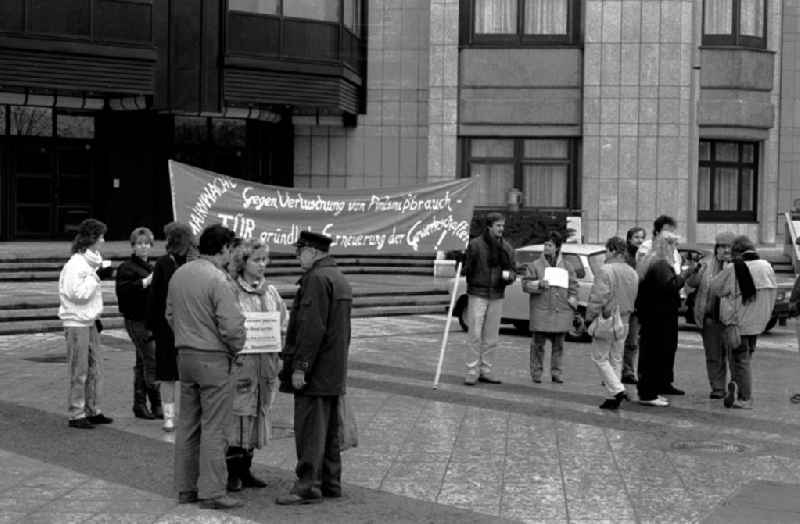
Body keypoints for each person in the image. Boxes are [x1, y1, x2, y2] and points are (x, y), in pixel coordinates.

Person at [167, 224, 246, 510]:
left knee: (188, 423)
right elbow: (232, 325)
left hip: (185, 355)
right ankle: (212, 491)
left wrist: (185, 335)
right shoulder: (219, 279)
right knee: (215, 426)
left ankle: (186, 488)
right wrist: (236, 348)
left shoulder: (180, 273)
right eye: (230, 249)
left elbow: (170, 313)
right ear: (224, 248)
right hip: (213, 358)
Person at [276, 231, 352, 506]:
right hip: (333, 368)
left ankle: (307, 486)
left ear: (313, 251)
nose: (297, 256)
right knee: (329, 430)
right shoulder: (337, 277)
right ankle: (331, 482)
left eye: (300, 251)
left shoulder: (316, 280)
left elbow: (311, 329)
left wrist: (301, 368)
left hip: (316, 370)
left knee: (310, 429)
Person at [225, 240, 289, 492]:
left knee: (257, 416)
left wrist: (280, 349)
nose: (263, 264)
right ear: (243, 262)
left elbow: (283, 321)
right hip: (241, 365)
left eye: (265, 259)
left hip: (266, 366)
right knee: (238, 417)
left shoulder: (271, 292)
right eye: (257, 260)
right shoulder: (231, 291)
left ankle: (247, 470)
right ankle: (233, 473)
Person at [58, 218, 114, 429]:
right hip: (76, 322)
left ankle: (92, 408)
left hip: (89, 320)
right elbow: (77, 294)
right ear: (91, 239)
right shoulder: (76, 264)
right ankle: (76, 412)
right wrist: (96, 277)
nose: (103, 240)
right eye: (101, 236)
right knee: (79, 368)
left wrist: (96, 275)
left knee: (94, 368)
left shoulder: (90, 263)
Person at [710, 236, 777, 409]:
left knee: (740, 359)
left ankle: (745, 397)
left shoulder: (734, 268)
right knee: (745, 357)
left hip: (738, 322)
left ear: (736, 252)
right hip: (758, 322)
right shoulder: (766, 266)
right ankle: (738, 386)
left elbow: (716, 288)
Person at [147, 221, 195, 432]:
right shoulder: (165, 263)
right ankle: (169, 416)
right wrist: (154, 327)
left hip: (183, 325)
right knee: (168, 373)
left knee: (183, 374)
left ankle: (180, 416)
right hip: (170, 327)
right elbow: (156, 297)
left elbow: (154, 297)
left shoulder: (192, 262)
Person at [635, 232, 689, 406]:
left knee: (652, 354)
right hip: (659, 317)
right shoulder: (660, 264)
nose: (675, 250)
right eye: (673, 245)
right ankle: (649, 393)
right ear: (667, 246)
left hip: (653, 316)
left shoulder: (651, 261)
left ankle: (652, 390)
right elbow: (669, 286)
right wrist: (685, 276)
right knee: (654, 354)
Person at [463, 212, 516, 385]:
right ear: (489, 226)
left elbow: (513, 270)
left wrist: (510, 277)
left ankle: (486, 370)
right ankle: (472, 370)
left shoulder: (507, 247)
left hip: (497, 294)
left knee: (491, 336)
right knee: (475, 334)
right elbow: (468, 269)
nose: (501, 228)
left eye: (503, 225)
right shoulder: (476, 245)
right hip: (478, 294)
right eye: (498, 225)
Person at [585, 236, 639, 409]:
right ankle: (612, 396)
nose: (605, 254)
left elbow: (598, 297)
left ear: (614, 250)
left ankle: (617, 390)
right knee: (616, 358)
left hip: (608, 319)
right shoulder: (632, 271)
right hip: (626, 319)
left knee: (599, 357)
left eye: (607, 250)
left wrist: (590, 317)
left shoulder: (606, 270)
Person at [116, 226, 161, 420]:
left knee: (143, 361)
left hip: (150, 320)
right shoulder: (127, 267)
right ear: (133, 246)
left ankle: (141, 404)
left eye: (146, 243)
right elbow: (124, 291)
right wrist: (145, 283)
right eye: (139, 244)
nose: (143, 247)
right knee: (151, 360)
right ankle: (155, 402)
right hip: (136, 320)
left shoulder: (151, 266)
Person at [522, 231, 578, 384]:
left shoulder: (568, 266)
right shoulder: (534, 265)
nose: (547, 247)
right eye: (545, 244)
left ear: (558, 248)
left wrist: (573, 301)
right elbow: (525, 285)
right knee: (538, 345)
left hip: (561, 311)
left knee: (559, 345)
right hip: (541, 311)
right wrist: (538, 284)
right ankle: (536, 373)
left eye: (550, 245)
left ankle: (557, 373)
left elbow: (574, 287)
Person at [685, 232, 735, 399]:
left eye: (728, 247)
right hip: (710, 319)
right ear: (716, 248)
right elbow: (691, 284)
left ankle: (735, 386)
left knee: (734, 357)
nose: (725, 250)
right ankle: (718, 387)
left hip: (732, 321)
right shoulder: (706, 264)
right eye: (721, 247)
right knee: (713, 355)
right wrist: (693, 271)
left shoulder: (739, 265)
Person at [622, 226, 645, 384]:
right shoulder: (625, 257)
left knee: (632, 342)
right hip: (625, 304)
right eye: (637, 237)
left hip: (638, 305)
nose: (640, 240)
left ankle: (629, 371)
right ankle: (617, 371)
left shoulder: (643, 256)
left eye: (642, 237)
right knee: (619, 340)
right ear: (629, 239)